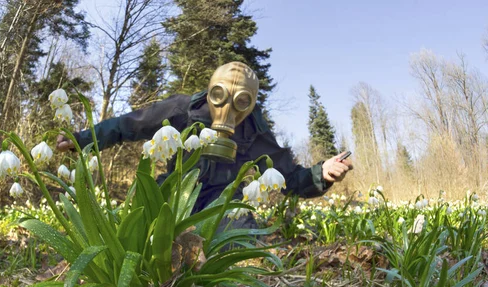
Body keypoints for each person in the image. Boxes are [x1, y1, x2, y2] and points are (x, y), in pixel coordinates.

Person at [56, 61, 353, 213]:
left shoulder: (254, 130)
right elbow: (128, 125)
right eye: (220, 95)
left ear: (250, 104)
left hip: (221, 203)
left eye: (241, 102)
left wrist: (321, 173)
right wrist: (83, 139)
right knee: (142, 227)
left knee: (238, 238)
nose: (227, 109)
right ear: (210, 91)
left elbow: (287, 177)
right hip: (174, 192)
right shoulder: (182, 110)